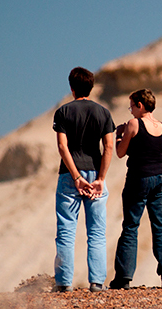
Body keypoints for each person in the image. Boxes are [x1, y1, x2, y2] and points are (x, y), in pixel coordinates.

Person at [52, 67, 115, 293]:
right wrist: (100, 178)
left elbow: (62, 146)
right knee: (96, 231)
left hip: (70, 176)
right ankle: (97, 283)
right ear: (92, 87)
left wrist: (76, 176)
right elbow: (108, 147)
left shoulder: (63, 112)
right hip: (95, 173)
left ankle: (63, 283)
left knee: (66, 230)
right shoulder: (103, 113)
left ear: (71, 88)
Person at [109, 89, 162, 290]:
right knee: (160, 227)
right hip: (161, 177)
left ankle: (123, 277)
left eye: (131, 106)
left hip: (139, 177)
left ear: (140, 105)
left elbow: (120, 153)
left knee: (131, 226)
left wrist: (119, 135)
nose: (130, 111)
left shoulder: (133, 124)